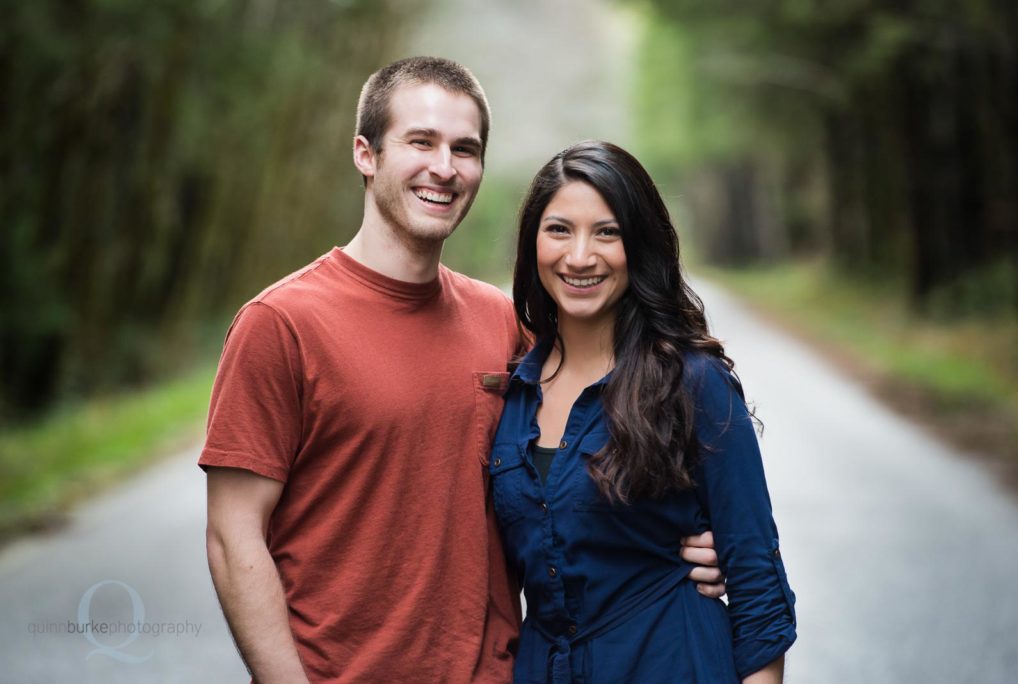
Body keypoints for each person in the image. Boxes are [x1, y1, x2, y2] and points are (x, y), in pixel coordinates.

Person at [201, 57, 724, 683]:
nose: (444, 168)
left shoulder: (507, 325)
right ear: (365, 154)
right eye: (420, 142)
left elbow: (599, 452)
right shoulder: (281, 325)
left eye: (465, 149)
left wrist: (680, 543)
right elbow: (234, 541)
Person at [491, 140, 797, 683]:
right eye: (559, 229)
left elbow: (757, 586)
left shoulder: (693, 382)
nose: (580, 256)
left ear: (639, 244)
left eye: (607, 232)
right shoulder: (514, 394)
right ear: (531, 243)